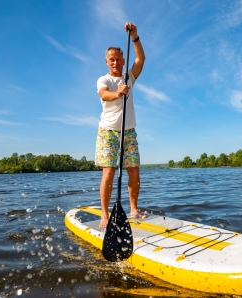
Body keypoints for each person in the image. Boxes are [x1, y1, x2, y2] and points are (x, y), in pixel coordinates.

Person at [95, 22, 147, 229]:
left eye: (118, 59)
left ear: (123, 60)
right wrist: (119, 93)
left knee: (133, 171)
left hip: (129, 132)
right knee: (108, 172)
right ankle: (105, 215)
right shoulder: (103, 79)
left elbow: (141, 59)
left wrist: (135, 36)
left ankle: (134, 210)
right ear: (107, 61)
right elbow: (104, 95)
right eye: (112, 60)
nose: (115, 62)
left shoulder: (129, 77)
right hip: (108, 132)